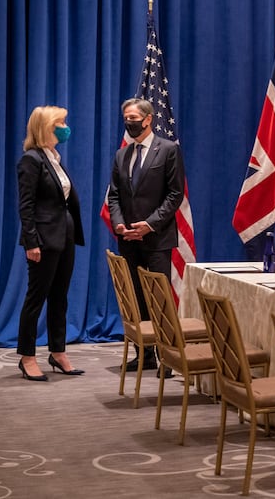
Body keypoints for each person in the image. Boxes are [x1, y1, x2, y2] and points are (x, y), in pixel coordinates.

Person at [107, 98, 185, 375]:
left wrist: (150, 224)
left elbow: (175, 194)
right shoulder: (122, 155)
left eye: (132, 117)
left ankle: (168, 356)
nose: (128, 122)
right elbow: (114, 195)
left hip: (157, 238)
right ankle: (146, 354)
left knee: (160, 298)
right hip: (128, 238)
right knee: (137, 297)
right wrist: (118, 224)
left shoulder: (168, 150)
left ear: (148, 119)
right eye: (125, 118)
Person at [16, 105, 85, 381]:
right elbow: (26, 206)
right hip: (43, 240)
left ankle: (58, 352)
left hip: (64, 237)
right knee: (36, 298)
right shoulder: (31, 160)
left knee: (60, 296)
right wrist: (31, 242)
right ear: (46, 127)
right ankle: (27, 357)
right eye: (61, 122)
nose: (65, 127)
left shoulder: (53, 157)